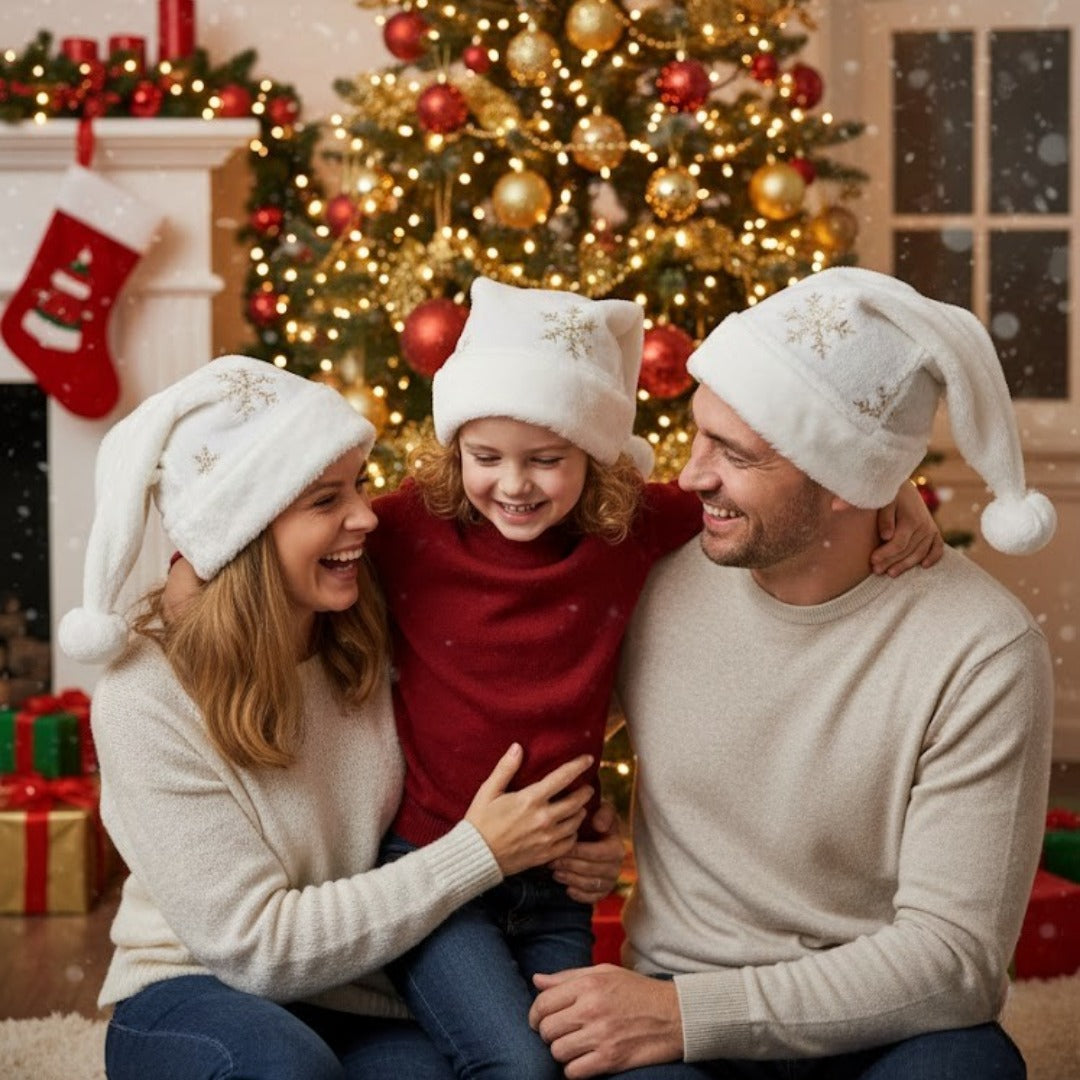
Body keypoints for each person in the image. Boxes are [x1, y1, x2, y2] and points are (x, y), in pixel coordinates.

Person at [166, 282, 940, 1080]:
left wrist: (887, 486)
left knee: (578, 1060)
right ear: (454, 449)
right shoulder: (407, 531)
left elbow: (782, 492)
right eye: (486, 457)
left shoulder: (627, 529)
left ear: (591, 455)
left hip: (560, 878)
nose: (515, 485)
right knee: (517, 1065)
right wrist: (188, 575)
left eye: (546, 460)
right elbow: (282, 528)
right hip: (434, 875)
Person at [527, 267, 1057, 1080]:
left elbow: (953, 961)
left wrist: (688, 1016)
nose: (693, 473)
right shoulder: (650, 571)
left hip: (878, 1022)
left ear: (847, 484)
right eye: (698, 433)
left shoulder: (980, 649)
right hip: (674, 998)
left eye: (733, 453)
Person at [58, 355, 622, 1080]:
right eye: (327, 500)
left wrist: (576, 831)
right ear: (246, 532)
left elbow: (495, 731)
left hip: (361, 993)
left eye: (357, 485)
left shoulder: (367, 624)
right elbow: (254, 947)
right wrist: (478, 852)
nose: (367, 515)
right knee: (285, 1068)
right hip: (195, 991)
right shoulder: (145, 698)